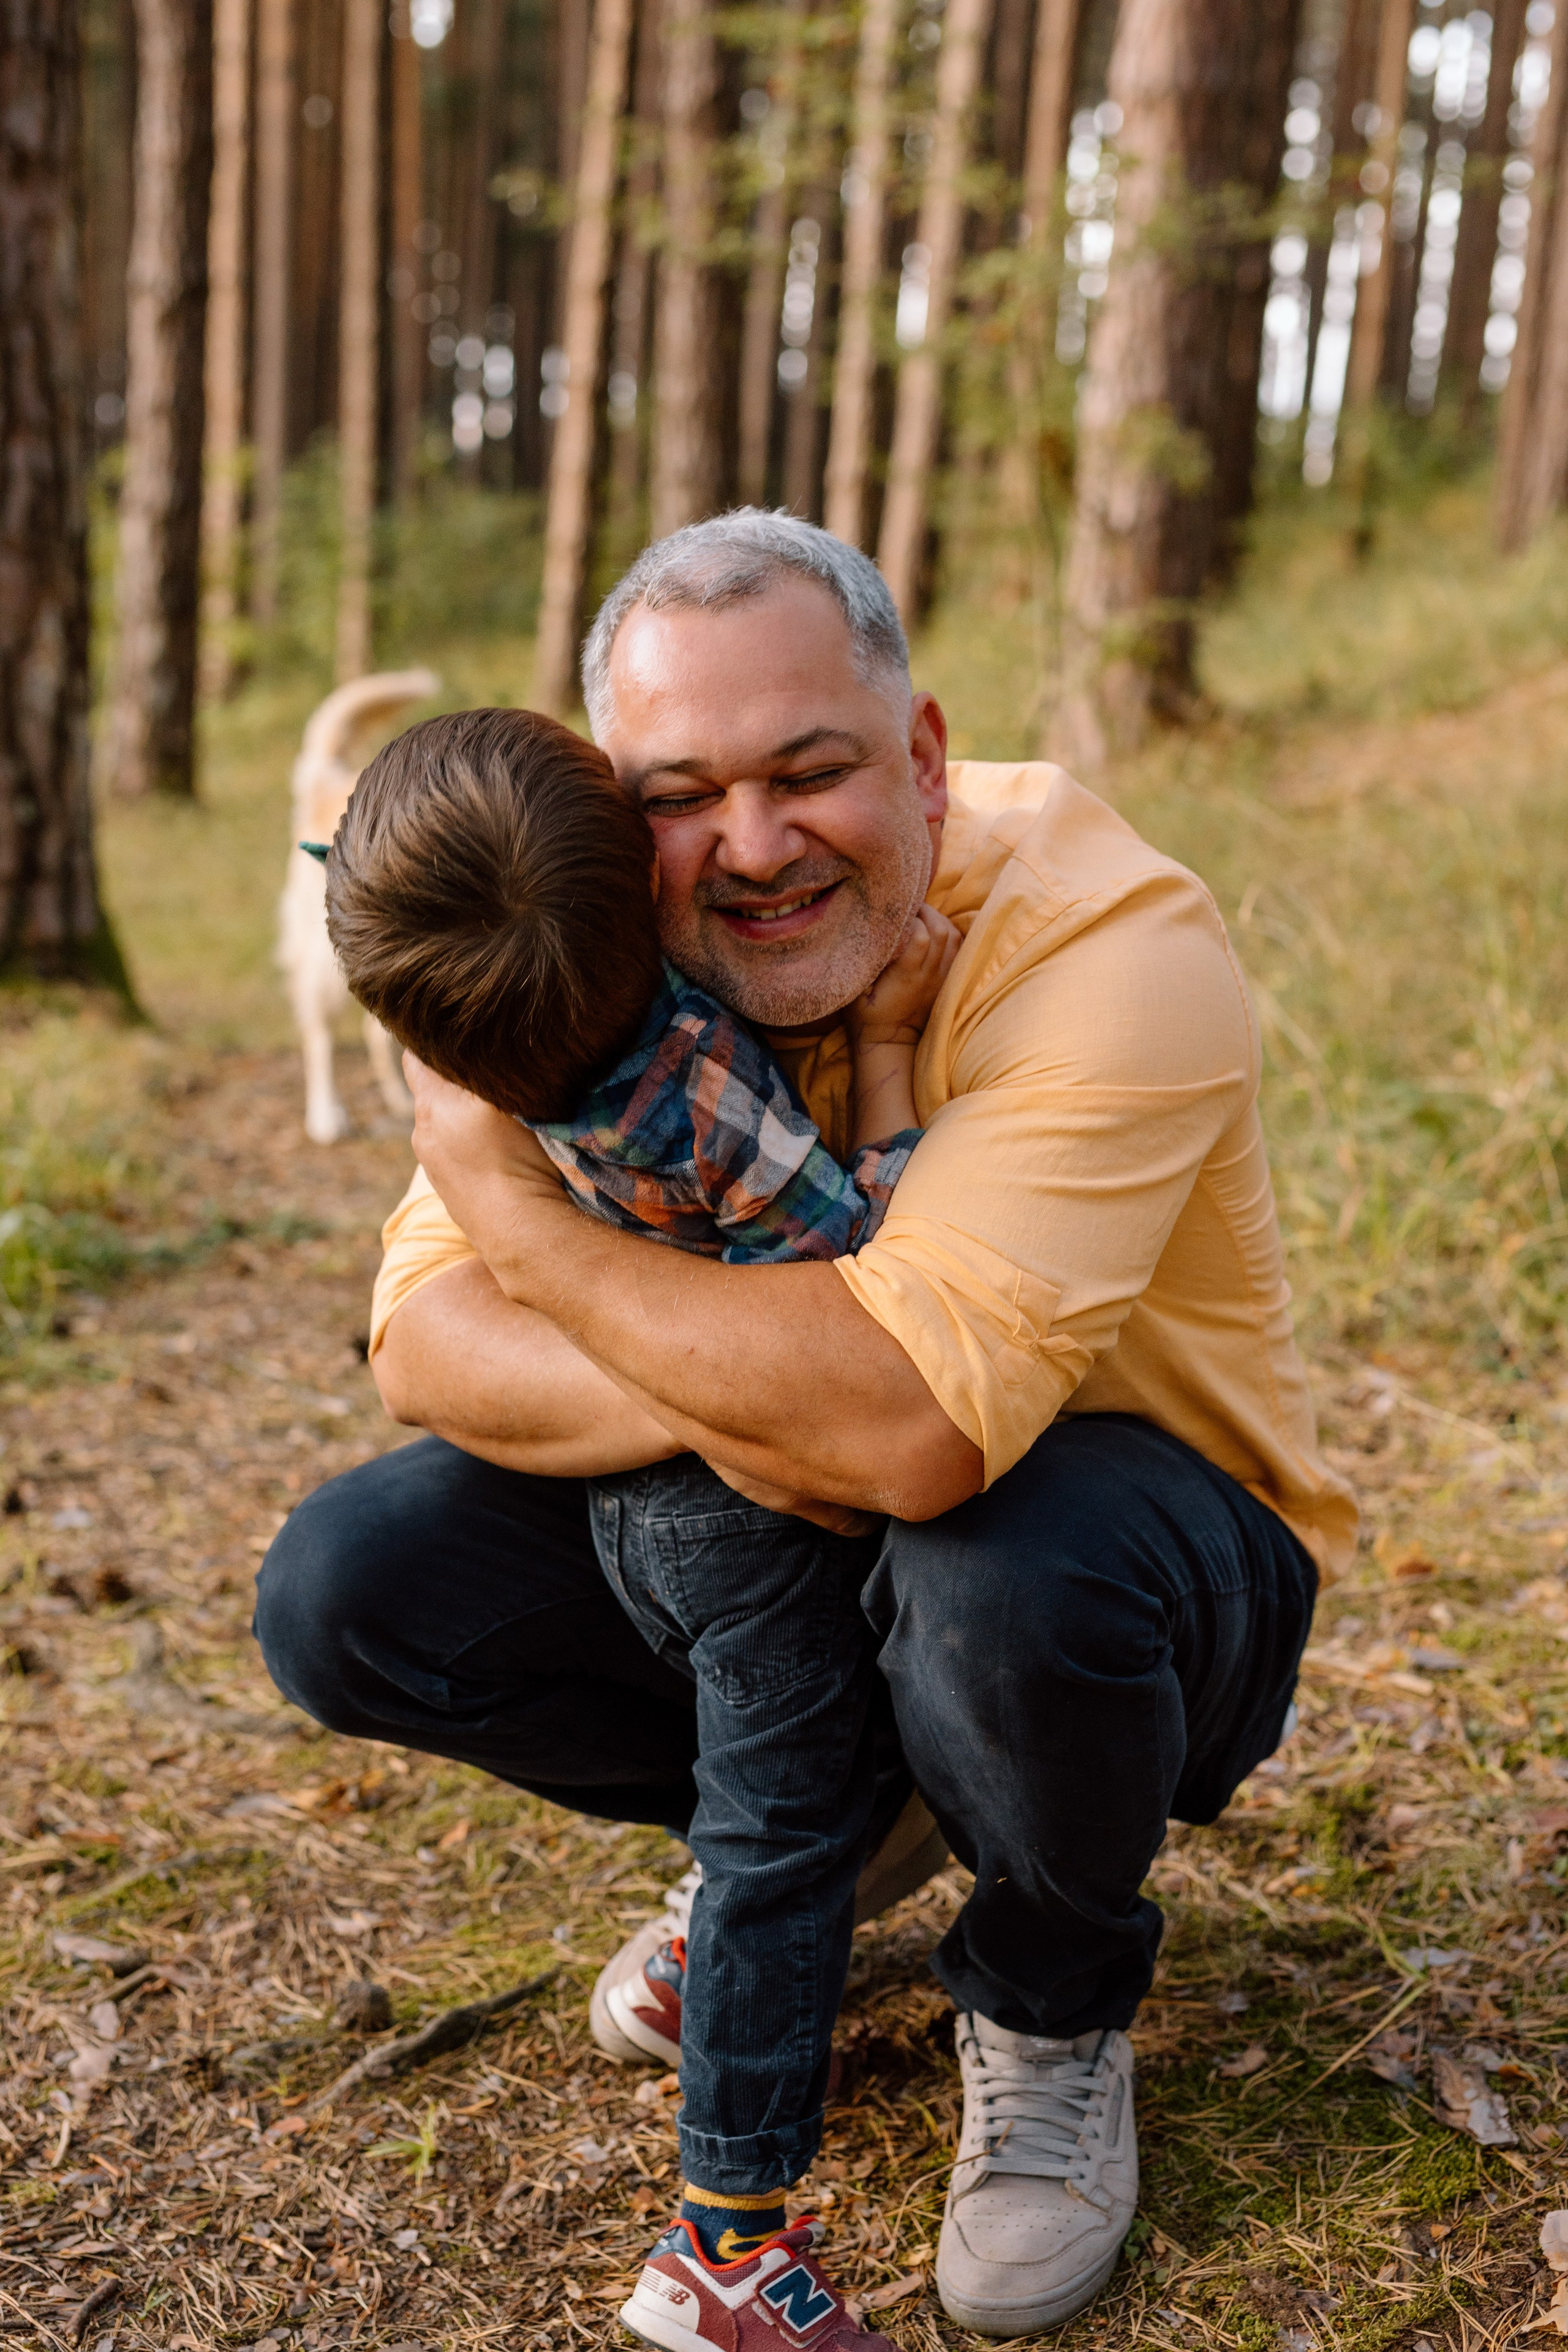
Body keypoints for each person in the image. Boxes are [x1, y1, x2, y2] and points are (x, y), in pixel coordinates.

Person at [255, 508, 1357, 2339]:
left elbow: (916, 1438)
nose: (752, 848)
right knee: (351, 1582)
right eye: (685, 791)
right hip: (821, 1552)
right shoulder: (598, 934)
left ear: (918, 755)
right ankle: (833, 1827)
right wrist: (775, 1382)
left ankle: (1052, 1992)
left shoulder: (1108, 941)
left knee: (994, 1552)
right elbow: (426, 1350)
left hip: (1142, 1582)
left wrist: (531, 1225)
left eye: (813, 771)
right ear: (615, 806)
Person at [315, 701, 959, 2339]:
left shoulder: (470, 1055)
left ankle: (712, 1955)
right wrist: (884, 1044)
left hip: (603, 1486)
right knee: (783, 1832)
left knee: (763, 1823)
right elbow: (866, 1266)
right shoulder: (691, 1081)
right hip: (741, 1518)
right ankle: (725, 2252)